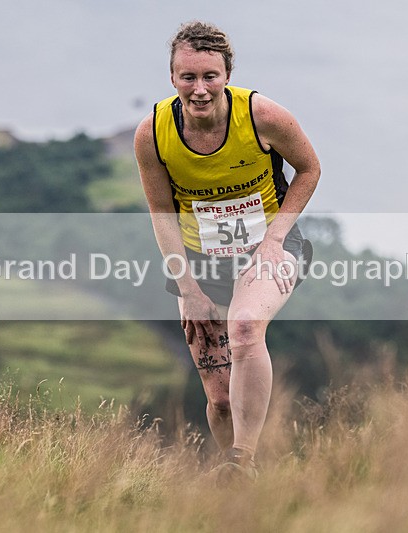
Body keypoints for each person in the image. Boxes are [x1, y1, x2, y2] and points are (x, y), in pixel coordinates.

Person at [134, 20, 320, 481]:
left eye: (209, 76)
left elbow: (310, 170)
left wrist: (274, 239)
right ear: (172, 77)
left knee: (245, 325)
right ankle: (242, 486)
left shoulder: (263, 116)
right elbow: (161, 212)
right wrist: (188, 289)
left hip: (268, 246)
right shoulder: (152, 134)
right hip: (198, 261)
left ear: (227, 76)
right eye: (188, 77)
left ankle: (243, 460)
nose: (199, 89)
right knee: (219, 401)